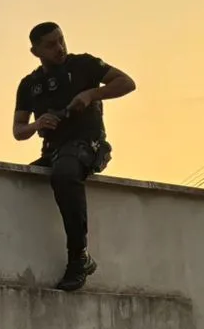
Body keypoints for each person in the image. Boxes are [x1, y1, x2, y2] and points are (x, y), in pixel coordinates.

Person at [12, 22, 137, 291]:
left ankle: (78, 257)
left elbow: (127, 82)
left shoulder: (84, 64)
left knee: (66, 175)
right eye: (50, 44)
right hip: (53, 151)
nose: (59, 48)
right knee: (16, 183)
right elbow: (18, 130)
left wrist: (92, 94)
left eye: (60, 40)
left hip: (87, 144)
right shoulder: (29, 84)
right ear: (35, 51)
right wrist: (38, 125)